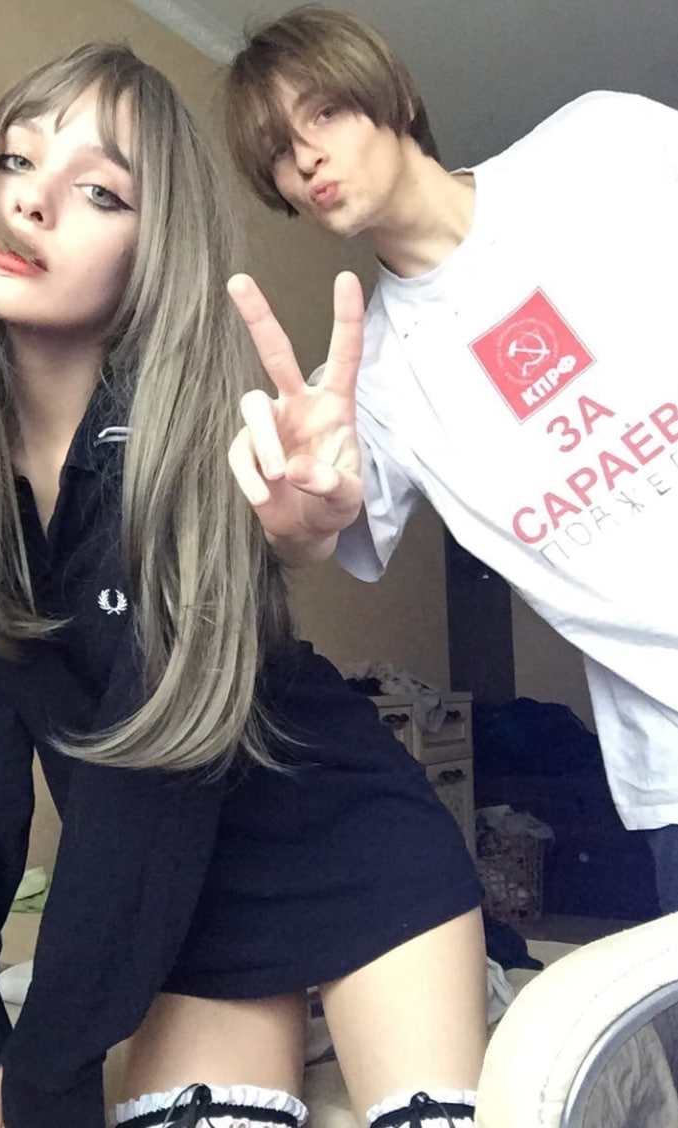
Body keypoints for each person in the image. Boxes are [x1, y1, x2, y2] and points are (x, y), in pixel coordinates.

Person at [0, 40, 486, 1128]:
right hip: (180, 906)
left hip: (346, 843)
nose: (30, 203)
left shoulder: (198, 448)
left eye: (99, 191)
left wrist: (47, 1065)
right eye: (16, 161)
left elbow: (148, 780)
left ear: (151, 251)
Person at [222, 6, 678, 916]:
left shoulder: (602, 149)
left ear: (393, 96)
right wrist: (290, 519)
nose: (304, 158)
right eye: (276, 151)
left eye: (323, 113)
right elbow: (315, 536)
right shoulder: (370, 387)